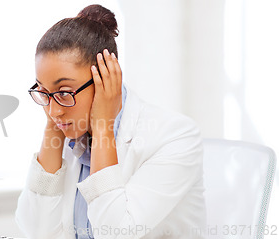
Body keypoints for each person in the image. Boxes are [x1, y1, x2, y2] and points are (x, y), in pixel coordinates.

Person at [15, 4, 206, 239]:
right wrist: (52, 127)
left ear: (105, 80)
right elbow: (36, 233)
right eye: (43, 92)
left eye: (64, 92)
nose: (53, 110)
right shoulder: (68, 126)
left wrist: (103, 126)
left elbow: (115, 234)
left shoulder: (175, 137)